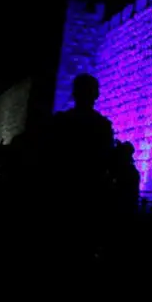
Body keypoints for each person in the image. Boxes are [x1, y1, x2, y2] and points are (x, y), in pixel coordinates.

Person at [45, 73, 115, 265]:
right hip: (87, 198)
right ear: (96, 94)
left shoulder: (60, 123)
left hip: (63, 197)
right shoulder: (102, 126)